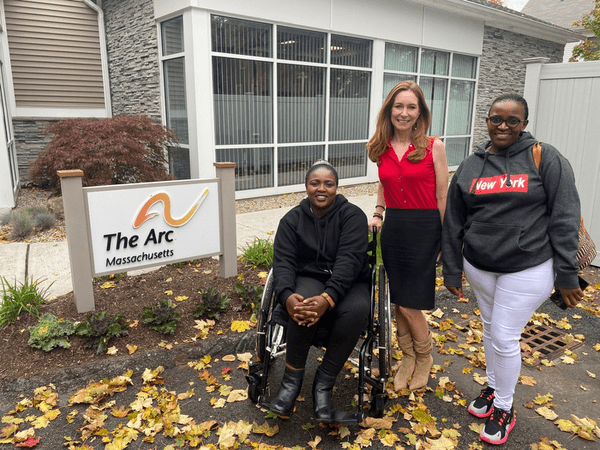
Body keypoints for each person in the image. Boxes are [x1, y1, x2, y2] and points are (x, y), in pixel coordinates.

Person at [442, 93, 584, 445]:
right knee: (491, 330)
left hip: (528, 266)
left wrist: (566, 275)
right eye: (496, 119)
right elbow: (454, 220)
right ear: (486, 121)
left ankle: (504, 407)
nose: (503, 126)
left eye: (512, 120)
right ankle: (493, 387)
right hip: (479, 266)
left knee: (504, 336)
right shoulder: (472, 165)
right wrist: (451, 267)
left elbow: (565, 217)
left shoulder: (544, 157)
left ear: (525, 123)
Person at [268, 160, 371, 423]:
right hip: (310, 276)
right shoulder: (291, 220)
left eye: (328, 183)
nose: (321, 188)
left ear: (337, 187)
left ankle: (323, 385)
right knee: (302, 303)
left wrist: (328, 297)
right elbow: (282, 264)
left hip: (350, 281)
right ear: (306, 187)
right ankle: (291, 383)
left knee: (358, 308)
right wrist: (286, 296)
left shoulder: (353, 216)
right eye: (315, 183)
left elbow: (349, 261)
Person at [366, 81, 449, 392]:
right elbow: (384, 183)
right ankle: (407, 358)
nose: (404, 113)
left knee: (411, 304)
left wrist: (444, 239)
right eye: (398, 106)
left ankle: (423, 358)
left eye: (411, 107)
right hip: (396, 228)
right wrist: (378, 212)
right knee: (398, 301)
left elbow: (443, 195)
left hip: (426, 228)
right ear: (389, 110)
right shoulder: (380, 147)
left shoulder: (433, 147)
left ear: (420, 112)